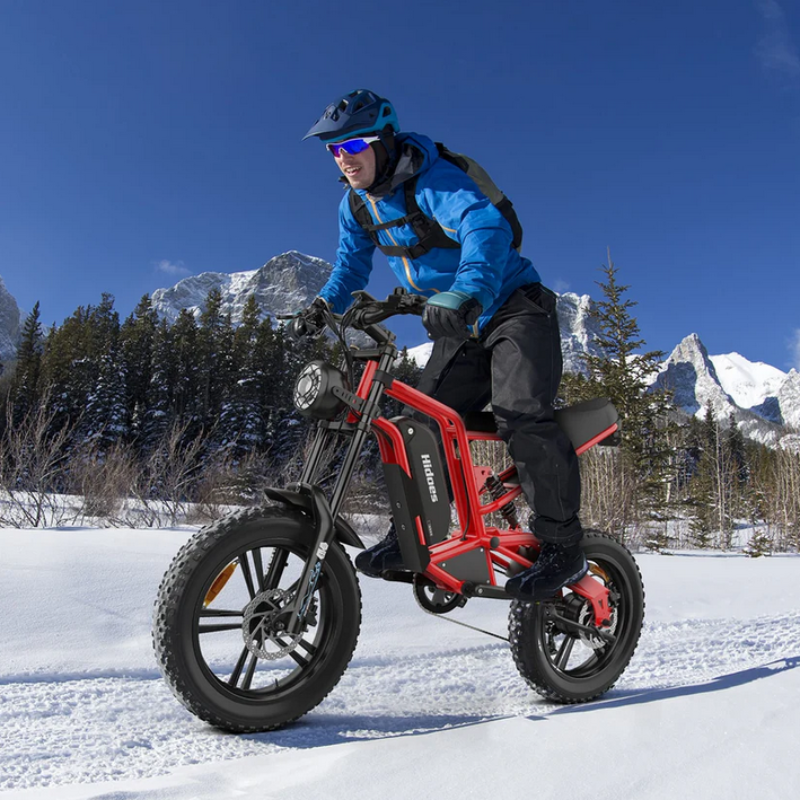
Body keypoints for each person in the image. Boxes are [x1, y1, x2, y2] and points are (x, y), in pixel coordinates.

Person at [300, 89, 586, 601]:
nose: (343, 157)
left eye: (354, 143)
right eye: (332, 149)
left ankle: (563, 545)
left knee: (520, 412)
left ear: (384, 140)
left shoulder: (432, 179)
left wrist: (468, 291)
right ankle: (417, 533)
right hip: (460, 323)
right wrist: (323, 305)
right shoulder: (356, 206)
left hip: (513, 305)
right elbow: (350, 265)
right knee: (421, 425)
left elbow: (485, 226)